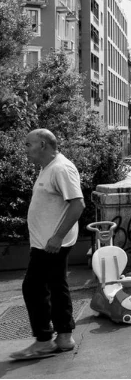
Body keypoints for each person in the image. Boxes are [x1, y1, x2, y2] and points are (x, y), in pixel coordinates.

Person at [11, 129, 84, 360]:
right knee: (55, 286)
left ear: (42, 144)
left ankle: (44, 340)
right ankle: (64, 337)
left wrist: (57, 237)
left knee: (33, 288)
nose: (25, 149)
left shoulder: (61, 168)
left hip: (51, 244)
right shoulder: (48, 168)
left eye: (28, 144)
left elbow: (77, 205)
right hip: (47, 243)